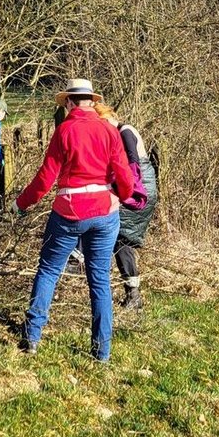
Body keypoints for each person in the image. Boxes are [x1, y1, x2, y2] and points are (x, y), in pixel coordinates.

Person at [10, 78, 146, 362]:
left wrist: (21, 204)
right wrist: (120, 197)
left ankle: (32, 337)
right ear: (92, 101)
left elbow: (45, 179)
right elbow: (122, 173)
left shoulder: (65, 130)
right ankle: (101, 353)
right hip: (104, 213)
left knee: (48, 271)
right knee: (99, 281)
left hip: (70, 211)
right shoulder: (109, 131)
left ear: (70, 101)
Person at [94, 102, 159, 311]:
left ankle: (133, 295)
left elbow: (132, 165)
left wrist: (124, 191)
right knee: (120, 239)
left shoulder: (125, 132)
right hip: (135, 190)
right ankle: (131, 292)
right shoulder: (119, 133)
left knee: (121, 238)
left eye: (101, 123)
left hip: (139, 193)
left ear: (107, 118)